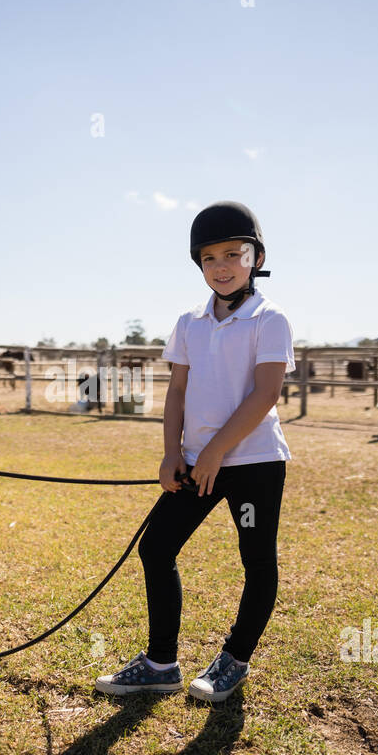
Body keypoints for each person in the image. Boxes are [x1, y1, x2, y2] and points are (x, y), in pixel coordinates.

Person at [96, 201, 294, 702]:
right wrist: (171, 454)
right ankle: (161, 663)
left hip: (252, 464)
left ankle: (234, 659)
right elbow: (178, 391)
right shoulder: (189, 322)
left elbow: (264, 395)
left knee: (256, 563)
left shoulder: (269, 320)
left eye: (233, 254)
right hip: (195, 462)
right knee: (157, 547)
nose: (222, 266)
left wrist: (214, 453)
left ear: (256, 257)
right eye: (209, 258)